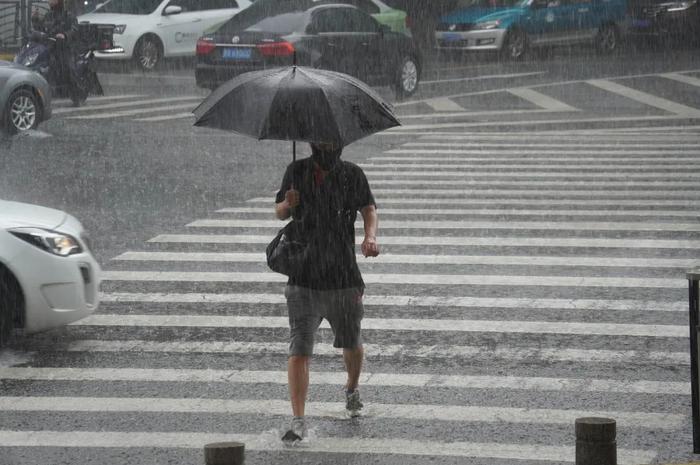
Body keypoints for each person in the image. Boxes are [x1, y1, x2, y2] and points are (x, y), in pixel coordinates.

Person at [274, 142, 380, 444]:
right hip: (303, 276)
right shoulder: (296, 171)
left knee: (351, 341)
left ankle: (351, 386)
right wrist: (287, 204)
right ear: (312, 143)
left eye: (334, 141)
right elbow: (279, 212)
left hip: (343, 276)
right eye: (323, 141)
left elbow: (369, 209)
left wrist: (369, 237)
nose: (329, 147)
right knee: (299, 348)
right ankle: (298, 420)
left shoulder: (352, 174)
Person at [31, 0, 81, 104]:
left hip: (65, 48)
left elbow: (75, 29)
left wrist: (65, 35)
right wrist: (35, 19)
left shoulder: (68, 14)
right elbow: (42, 28)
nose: (49, 1)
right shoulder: (49, 15)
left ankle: (76, 96)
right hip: (51, 47)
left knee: (68, 68)